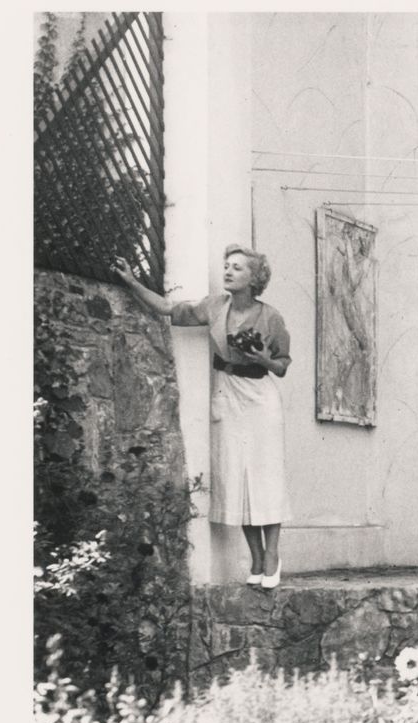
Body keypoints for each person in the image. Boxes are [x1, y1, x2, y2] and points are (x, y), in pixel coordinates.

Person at [115, 246, 291, 588]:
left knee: (265, 477)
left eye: (237, 268)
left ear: (254, 278)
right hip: (227, 394)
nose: (227, 271)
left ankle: (272, 556)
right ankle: (255, 558)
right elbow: (168, 308)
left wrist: (263, 358)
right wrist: (131, 281)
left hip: (261, 399)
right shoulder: (214, 306)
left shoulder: (271, 317)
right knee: (236, 474)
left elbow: (282, 365)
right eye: (226, 266)